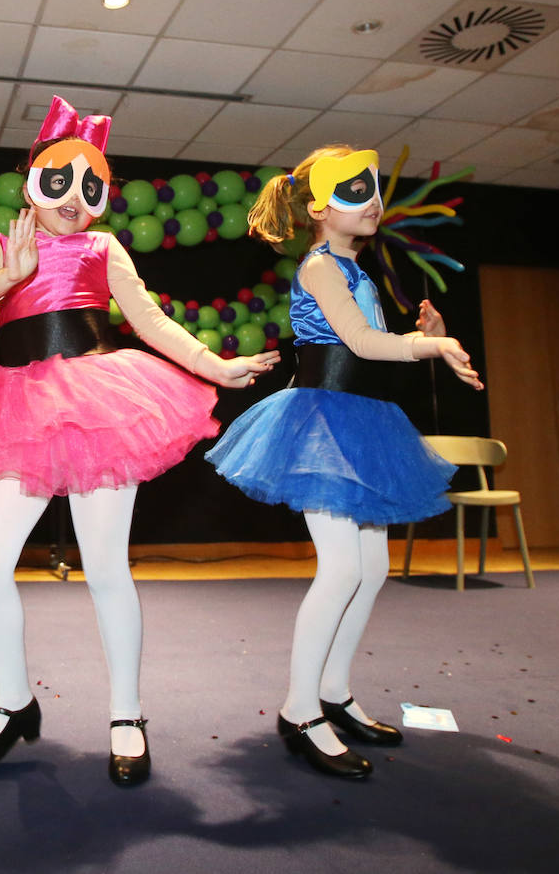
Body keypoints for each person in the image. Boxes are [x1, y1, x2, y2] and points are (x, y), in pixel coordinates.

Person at [0, 96, 279, 786]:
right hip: (17, 408)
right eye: (60, 181)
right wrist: (2, 278)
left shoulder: (104, 247)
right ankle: (12, 702)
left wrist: (218, 366)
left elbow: (153, 323)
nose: (74, 198)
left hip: (102, 404)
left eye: (91, 186)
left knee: (106, 568)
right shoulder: (11, 242)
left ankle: (127, 714)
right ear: (30, 187)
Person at [205, 146, 483, 779]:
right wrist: (429, 344)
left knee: (373, 566)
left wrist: (426, 328)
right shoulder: (320, 266)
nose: (375, 201)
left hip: (362, 421)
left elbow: (373, 341)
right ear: (319, 209)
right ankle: (300, 709)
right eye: (357, 191)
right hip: (321, 421)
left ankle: (335, 690)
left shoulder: (358, 269)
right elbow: (358, 342)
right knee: (340, 568)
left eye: (375, 189)